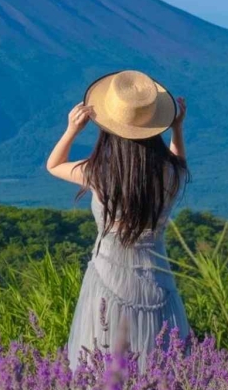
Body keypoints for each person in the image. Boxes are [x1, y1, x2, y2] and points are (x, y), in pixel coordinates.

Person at [45, 69, 190, 369]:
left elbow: (54, 164)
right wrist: (177, 130)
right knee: (162, 368)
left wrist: (72, 129)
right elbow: (180, 163)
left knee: (101, 368)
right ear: (155, 126)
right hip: (157, 281)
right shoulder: (172, 174)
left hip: (107, 283)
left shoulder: (99, 173)